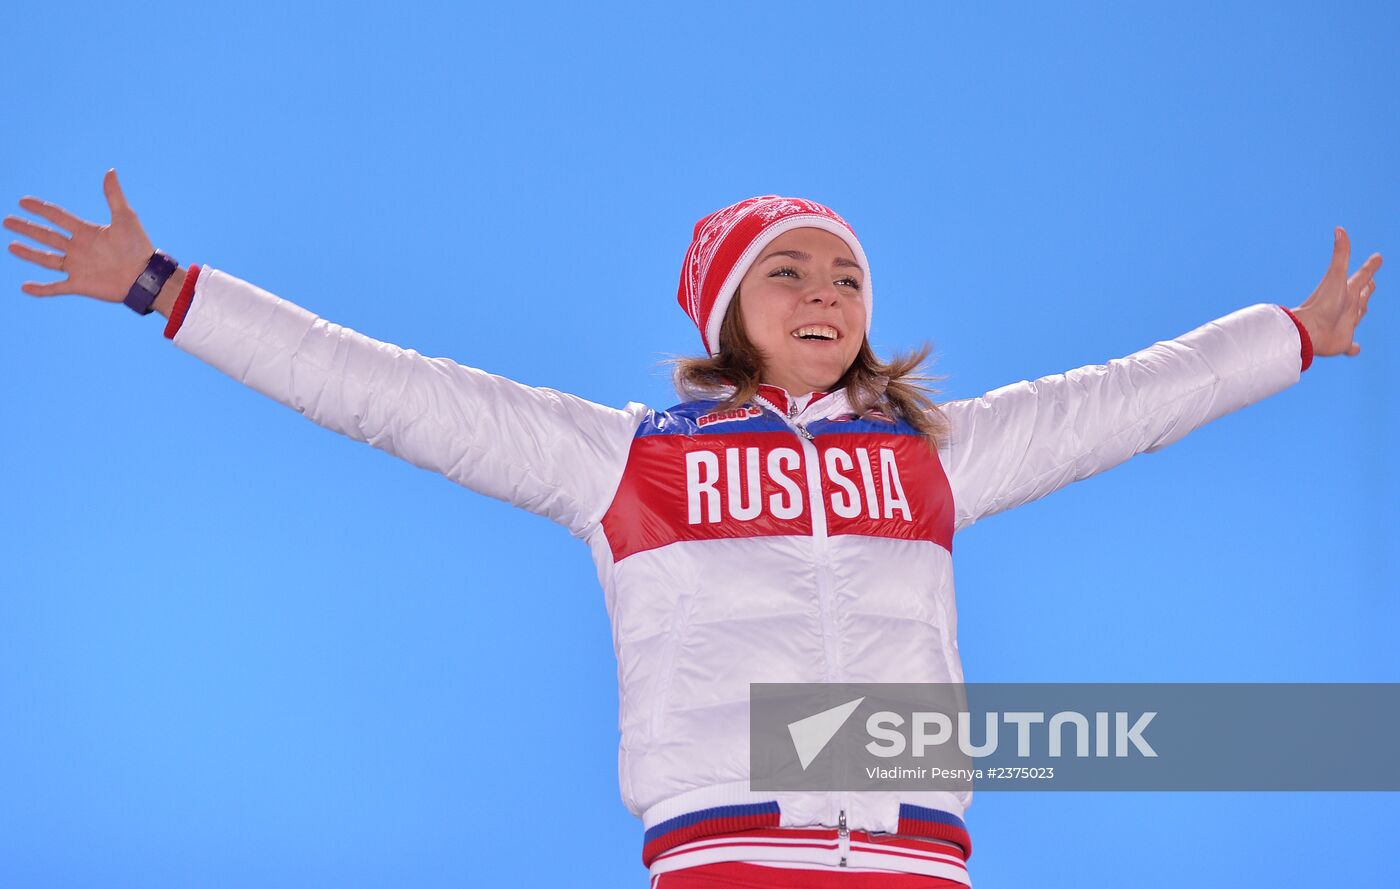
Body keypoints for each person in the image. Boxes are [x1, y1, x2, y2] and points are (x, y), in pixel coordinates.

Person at [4, 173, 1383, 889]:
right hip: (725, 850)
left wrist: (1291, 342)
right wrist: (168, 291)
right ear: (727, 309)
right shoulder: (625, 464)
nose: (826, 290)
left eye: (846, 271)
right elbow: (386, 391)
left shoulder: (935, 458)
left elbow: (1126, 401)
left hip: (914, 852)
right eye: (786, 269)